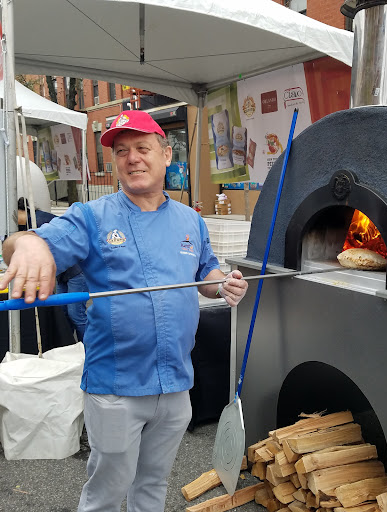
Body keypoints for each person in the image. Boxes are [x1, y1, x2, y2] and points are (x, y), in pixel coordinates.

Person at [0, 110, 248, 512]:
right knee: (107, 492)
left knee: (153, 483)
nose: (132, 158)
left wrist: (223, 284)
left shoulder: (190, 220)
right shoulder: (91, 217)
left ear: (166, 155)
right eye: (121, 151)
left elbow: (205, 272)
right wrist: (26, 244)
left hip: (175, 383)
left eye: (142, 148)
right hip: (116, 387)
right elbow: (23, 243)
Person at [17, 198, 88, 342]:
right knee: (63, 312)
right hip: (63, 272)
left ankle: (88, 347)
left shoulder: (39, 221)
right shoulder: (33, 221)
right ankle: (68, 344)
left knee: (76, 314)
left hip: (75, 271)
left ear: (20, 210)